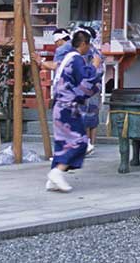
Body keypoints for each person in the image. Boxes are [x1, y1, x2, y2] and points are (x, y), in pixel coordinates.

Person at [47, 29, 102, 193]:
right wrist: (95, 66)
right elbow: (86, 79)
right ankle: (57, 172)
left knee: (62, 143)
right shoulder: (76, 59)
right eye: (89, 44)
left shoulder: (66, 57)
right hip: (67, 108)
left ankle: (53, 179)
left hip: (60, 106)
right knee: (79, 142)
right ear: (84, 44)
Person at [77, 26, 104, 155]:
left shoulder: (89, 52)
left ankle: (88, 144)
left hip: (88, 88)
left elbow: (95, 71)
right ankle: (91, 143)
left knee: (87, 116)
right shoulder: (94, 51)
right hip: (94, 87)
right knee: (92, 117)